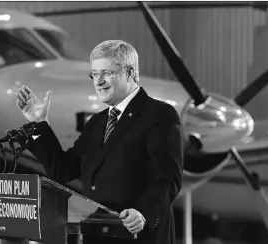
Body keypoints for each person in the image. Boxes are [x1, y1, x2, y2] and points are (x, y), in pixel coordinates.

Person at [16, 40, 183, 244]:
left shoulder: (159, 115)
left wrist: (143, 213)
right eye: (94, 74)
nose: (99, 81)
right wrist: (39, 123)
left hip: (139, 237)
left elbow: (168, 178)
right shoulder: (97, 122)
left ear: (130, 73)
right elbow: (63, 169)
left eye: (107, 73)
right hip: (97, 236)